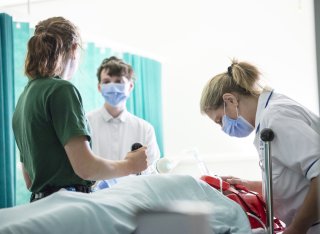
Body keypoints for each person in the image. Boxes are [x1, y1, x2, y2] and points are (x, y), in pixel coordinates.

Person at [12, 17, 147, 202]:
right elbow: (86, 168)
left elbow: (29, 180)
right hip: (68, 204)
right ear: (74, 48)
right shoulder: (61, 89)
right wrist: (130, 165)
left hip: (40, 204)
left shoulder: (24, 97)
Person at [199, 58, 320, 234]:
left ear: (230, 100)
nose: (223, 128)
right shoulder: (268, 118)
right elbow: (294, 179)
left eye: (220, 120)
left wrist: (297, 228)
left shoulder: (277, 118)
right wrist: (249, 185)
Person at [86, 56, 160, 184]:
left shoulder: (145, 129)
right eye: (107, 82)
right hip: (95, 199)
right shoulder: (86, 123)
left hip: (134, 198)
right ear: (99, 87)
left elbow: (151, 171)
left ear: (130, 86)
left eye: (119, 81)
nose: (113, 87)